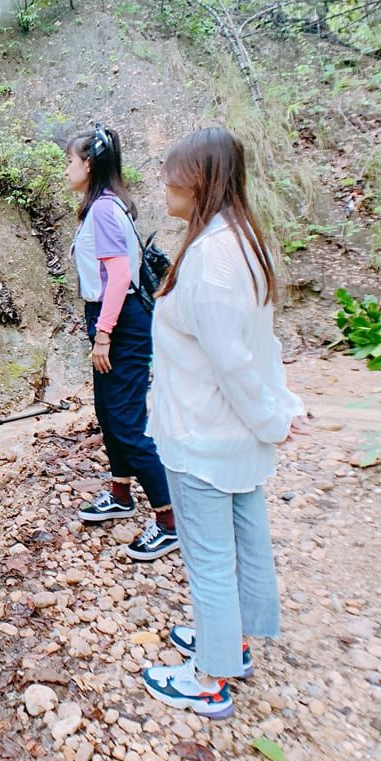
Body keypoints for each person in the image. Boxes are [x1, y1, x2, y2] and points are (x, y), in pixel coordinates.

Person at [141, 126, 308, 718]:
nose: (162, 183)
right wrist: (279, 410)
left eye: (171, 174)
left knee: (209, 556)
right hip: (229, 434)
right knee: (241, 541)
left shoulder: (212, 258)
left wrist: (274, 419)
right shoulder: (239, 240)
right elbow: (262, 346)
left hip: (204, 433)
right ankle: (229, 644)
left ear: (200, 181)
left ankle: (209, 681)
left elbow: (236, 362)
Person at [66, 125, 178, 561]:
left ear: (89, 164)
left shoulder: (104, 211)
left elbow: (117, 279)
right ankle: (120, 493)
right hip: (113, 316)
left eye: (70, 161)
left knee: (128, 423)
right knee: (108, 413)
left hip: (122, 320)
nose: (67, 169)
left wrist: (104, 333)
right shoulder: (103, 207)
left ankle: (169, 521)